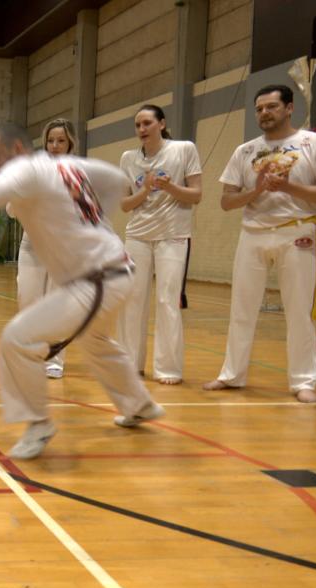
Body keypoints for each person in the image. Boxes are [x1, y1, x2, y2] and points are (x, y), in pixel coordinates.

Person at [0, 123, 164, 459]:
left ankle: (38, 424)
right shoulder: (71, 166)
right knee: (96, 342)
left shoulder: (26, 167)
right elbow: (116, 180)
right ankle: (139, 404)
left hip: (96, 279)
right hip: (117, 271)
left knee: (17, 338)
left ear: (19, 149)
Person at [203, 84, 316, 403]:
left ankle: (303, 382)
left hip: (298, 232)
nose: (264, 113)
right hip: (252, 233)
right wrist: (257, 191)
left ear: (290, 108)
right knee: (242, 308)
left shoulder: (314, 143)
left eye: (271, 107)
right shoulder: (245, 151)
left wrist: (289, 187)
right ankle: (232, 374)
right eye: (259, 108)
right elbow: (226, 202)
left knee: (298, 311)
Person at [118, 105, 202, 385]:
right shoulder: (128, 158)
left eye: (147, 123)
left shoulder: (183, 149)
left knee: (168, 301)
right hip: (137, 236)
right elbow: (124, 204)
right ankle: (131, 364)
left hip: (173, 235)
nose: (142, 129)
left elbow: (196, 195)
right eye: (138, 125)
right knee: (133, 301)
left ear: (161, 124)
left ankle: (168, 369)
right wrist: (144, 190)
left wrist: (169, 188)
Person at [15, 118, 78, 378]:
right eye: (50, 140)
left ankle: (54, 361)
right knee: (27, 301)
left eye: (60, 141)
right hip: (31, 245)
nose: (54, 145)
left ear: (70, 143)